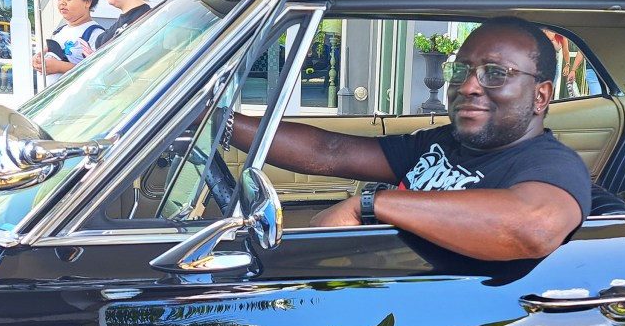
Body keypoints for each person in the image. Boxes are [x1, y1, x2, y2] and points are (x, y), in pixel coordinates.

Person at [227, 16, 591, 262]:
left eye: (495, 73)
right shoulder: (444, 143)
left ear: (541, 95)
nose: (467, 86)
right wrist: (220, 123)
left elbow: (534, 227)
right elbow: (329, 151)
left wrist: (368, 206)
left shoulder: (551, 164)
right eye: (460, 70)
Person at [32, 0, 104, 86]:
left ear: (87, 2)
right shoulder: (59, 32)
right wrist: (38, 59)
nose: (62, 2)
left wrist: (60, 67)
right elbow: (46, 53)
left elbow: (100, 72)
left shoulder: (95, 34)